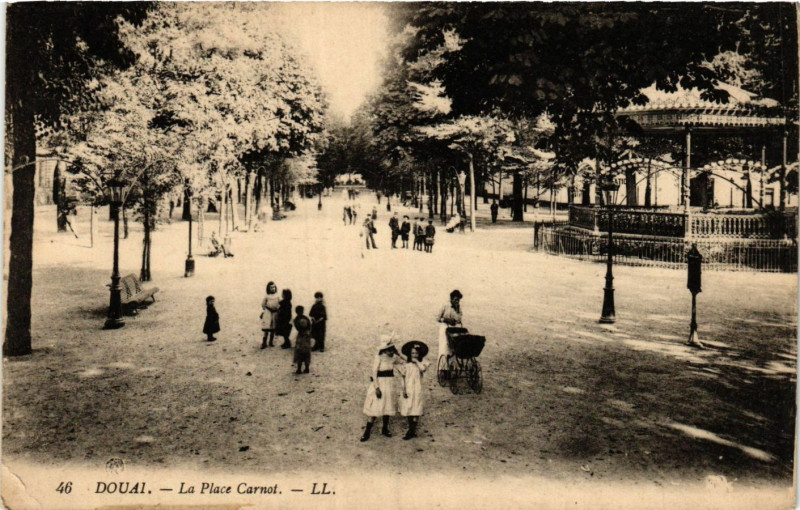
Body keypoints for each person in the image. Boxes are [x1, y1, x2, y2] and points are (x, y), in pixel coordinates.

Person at [361, 336, 405, 441]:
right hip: (380, 383)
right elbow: (374, 373)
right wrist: (376, 387)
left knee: (387, 404)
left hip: (389, 383)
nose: (390, 351)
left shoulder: (394, 357)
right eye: (388, 349)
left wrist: (399, 354)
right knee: (375, 407)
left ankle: (385, 428)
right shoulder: (379, 357)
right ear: (384, 350)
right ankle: (367, 431)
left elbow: (405, 361)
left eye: (392, 349)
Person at [397, 341, 430, 440]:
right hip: (409, 388)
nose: (414, 355)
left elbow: (423, 369)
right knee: (408, 407)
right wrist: (404, 390)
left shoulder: (422, 363)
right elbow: (402, 378)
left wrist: (417, 362)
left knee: (416, 407)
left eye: (416, 353)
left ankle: (412, 430)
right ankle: (411, 427)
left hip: (417, 389)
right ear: (409, 354)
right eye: (412, 354)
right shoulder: (406, 365)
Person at [437, 290, 463, 359]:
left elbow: (459, 320)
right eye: (455, 299)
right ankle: (442, 365)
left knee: (452, 347)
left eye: (458, 300)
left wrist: (457, 310)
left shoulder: (458, 308)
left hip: (453, 328)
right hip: (444, 327)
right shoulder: (445, 305)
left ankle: (450, 365)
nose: (457, 301)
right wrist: (446, 319)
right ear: (451, 299)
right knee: (444, 345)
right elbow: (438, 318)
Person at [260, 282, 281, 349]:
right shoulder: (267, 296)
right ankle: (264, 342)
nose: (273, 289)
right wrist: (266, 309)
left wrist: (277, 308)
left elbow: (280, 304)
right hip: (268, 313)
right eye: (271, 287)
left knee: (273, 328)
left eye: (274, 287)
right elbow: (263, 304)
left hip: (275, 313)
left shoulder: (277, 296)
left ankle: (271, 342)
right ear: (268, 288)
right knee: (267, 328)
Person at [293, 306, 313, 374]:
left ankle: (299, 369)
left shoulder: (297, 319)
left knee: (299, 353)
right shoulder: (306, 318)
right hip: (307, 338)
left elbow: (297, 327)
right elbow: (310, 326)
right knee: (307, 353)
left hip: (300, 338)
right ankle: (307, 368)